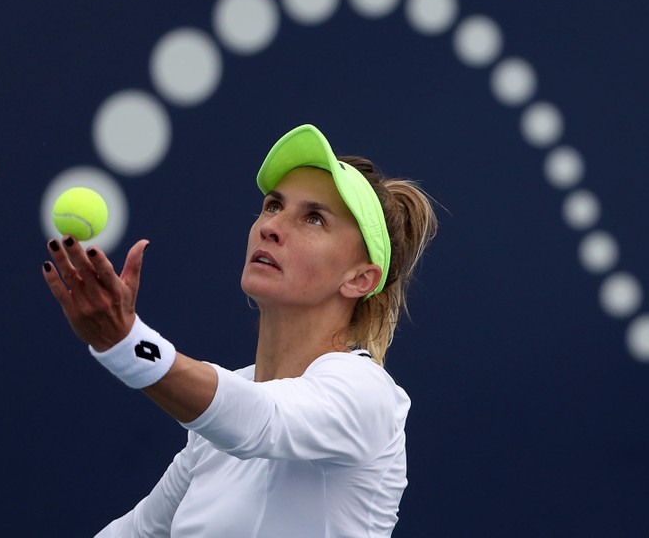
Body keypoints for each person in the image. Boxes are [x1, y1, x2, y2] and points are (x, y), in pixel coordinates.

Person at [42, 123, 438, 537]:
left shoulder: (366, 392)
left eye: (314, 219)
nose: (271, 226)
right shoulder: (215, 428)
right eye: (273, 206)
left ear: (359, 279)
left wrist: (128, 345)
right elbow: (137, 531)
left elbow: (260, 420)